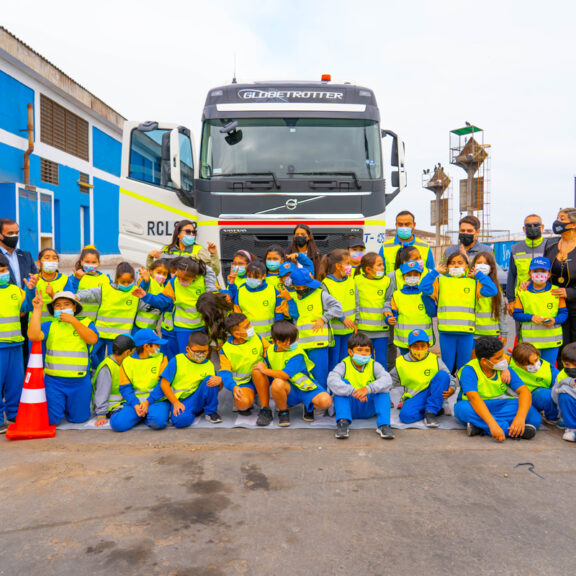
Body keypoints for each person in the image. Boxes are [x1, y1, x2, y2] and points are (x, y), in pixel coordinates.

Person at [28, 290, 98, 426]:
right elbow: (33, 336)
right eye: (58, 305)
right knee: (52, 420)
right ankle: (61, 406)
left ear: (74, 307)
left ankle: (68, 406)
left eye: (66, 304)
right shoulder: (50, 325)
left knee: (79, 419)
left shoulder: (86, 323)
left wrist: (74, 322)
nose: (62, 308)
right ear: (53, 309)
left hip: (80, 382)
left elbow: (92, 339)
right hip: (54, 382)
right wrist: (37, 310)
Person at [420, 251, 498, 373]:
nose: (456, 266)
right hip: (446, 332)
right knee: (447, 366)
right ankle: (447, 388)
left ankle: (463, 390)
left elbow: (492, 290)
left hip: (466, 333)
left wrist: (479, 276)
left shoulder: (473, 283)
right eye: (452, 263)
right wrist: (435, 272)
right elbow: (423, 287)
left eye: (460, 263)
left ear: (467, 266)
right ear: (447, 266)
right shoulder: (441, 282)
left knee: (464, 366)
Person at [454, 336, 542, 441]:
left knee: (535, 418)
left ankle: (480, 428)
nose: (503, 360)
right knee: (462, 409)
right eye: (498, 358)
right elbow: (474, 399)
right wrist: (492, 424)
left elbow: (524, 391)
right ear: (484, 361)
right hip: (477, 406)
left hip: (501, 405)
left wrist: (520, 418)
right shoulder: (469, 370)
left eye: (502, 355)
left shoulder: (504, 368)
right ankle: (507, 430)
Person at [254, 320, 332, 427]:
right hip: (287, 389)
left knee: (326, 401)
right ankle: (283, 411)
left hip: (304, 387)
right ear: (278, 343)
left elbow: (285, 375)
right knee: (276, 382)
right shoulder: (270, 351)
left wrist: (265, 370)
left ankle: (308, 404)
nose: (295, 343)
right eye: (290, 341)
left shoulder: (297, 353)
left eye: (295, 339)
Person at [134, 258, 216, 355]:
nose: (180, 281)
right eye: (178, 277)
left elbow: (215, 294)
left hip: (201, 328)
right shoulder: (173, 282)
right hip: (182, 329)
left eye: (185, 279)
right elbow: (162, 301)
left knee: (199, 355)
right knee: (185, 356)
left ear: (195, 277)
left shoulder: (203, 281)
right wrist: (146, 296)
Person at [328, 332, 394, 440]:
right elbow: (331, 380)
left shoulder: (374, 365)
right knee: (340, 387)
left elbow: (387, 380)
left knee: (383, 389)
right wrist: (353, 391)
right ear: (350, 352)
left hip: (368, 405)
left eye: (367, 351)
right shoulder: (343, 365)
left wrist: (368, 389)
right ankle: (343, 423)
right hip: (350, 405)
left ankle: (384, 425)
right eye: (359, 350)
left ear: (372, 352)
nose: (363, 354)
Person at [76, 262, 144, 366]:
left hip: (120, 337)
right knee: (89, 354)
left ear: (134, 280)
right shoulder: (106, 289)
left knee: (116, 363)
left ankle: (112, 379)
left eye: (129, 282)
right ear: (116, 279)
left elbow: (146, 304)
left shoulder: (136, 292)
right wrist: (77, 296)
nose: (126, 284)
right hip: (100, 333)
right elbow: (91, 293)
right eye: (123, 282)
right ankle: (98, 371)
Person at [150, 331, 223, 428]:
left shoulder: (209, 365)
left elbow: (215, 389)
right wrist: (175, 403)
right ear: (188, 349)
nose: (201, 354)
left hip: (197, 398)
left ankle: (210, 412)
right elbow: (164, 384)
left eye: (204, 351)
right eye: (198, 352)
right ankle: (190, 411)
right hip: (181, 400)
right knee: (181, 421)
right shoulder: (177, 360)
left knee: (212, 379)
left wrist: (220, 381)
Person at [285, 268, 343, 389]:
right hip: (300, 345)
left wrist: (324, 318)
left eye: (304, 286)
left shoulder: (321, 294)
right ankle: (311, 403)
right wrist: (289, 301)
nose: (301, 290)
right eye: (298, 287)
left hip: (318, 344)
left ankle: (323, 403)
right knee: (303, 378)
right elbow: (295, 315)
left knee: (320, 377)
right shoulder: (293, 296)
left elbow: (338, 307)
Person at [390, 330, 456, 427]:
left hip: (434, 392)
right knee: (405, 416)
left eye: (423, 346)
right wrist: (376, 390)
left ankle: (431, 412)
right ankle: (433, 409)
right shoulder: (401, 362)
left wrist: (453, 388)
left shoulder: (435, 359)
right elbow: (389, 380)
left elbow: (448, 377)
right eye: (415, 346)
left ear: (428, 346)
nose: (419, 349)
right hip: (415, 396)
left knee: (442, 375)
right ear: (409, 347)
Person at [109, 329, 171, 432]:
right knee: (117, 424)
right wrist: (136, 405)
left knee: (158, 422)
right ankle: (143, 414)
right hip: (135, 402)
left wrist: (147, 403)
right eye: (157, 345)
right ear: (146, 346)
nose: (159, 347)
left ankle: (143, 415)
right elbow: (125, 388)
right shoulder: (127, 362)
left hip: (156, 400)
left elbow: (162, 385)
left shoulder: (162, 359)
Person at [219, 313, 273, 426]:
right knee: (242, 404)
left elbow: (271, 354)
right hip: (243, 383)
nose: (250, 328)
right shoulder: (226, 350)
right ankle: (253, 397)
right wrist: (233, 386)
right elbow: (225, 372)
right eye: (246, 327)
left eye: (249, 324)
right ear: (236, 334)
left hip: (262, 377)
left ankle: (265, 409)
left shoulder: (258, 338)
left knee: (257, 369)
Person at [513, 256, 567, 367]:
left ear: (549, 274)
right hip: (530, 343)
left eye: (543, 271)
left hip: (552, 342)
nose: (539, 274)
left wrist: (555, 320)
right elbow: (516, 314)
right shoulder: (522, 292)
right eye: (535, 271)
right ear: (529, 274)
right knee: (532, 369)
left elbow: (564, 313)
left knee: (549, 369)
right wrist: (531, 317)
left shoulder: (556, 291)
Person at [0, 254, 32, 433]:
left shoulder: (14, 290)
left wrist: (29, 292)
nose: (2, 273)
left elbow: (24, 311)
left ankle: (14, 414)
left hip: (16, 344)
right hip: (0, 347)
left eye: (4, 270)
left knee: (15, 382)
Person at [0, 218, 38, 359]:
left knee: (23, 355)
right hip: (5, 318)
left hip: (25, 313)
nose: (14, 236)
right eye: (10, 233)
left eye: (16, 232)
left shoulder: (25, 255)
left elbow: (33, 277)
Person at [387, 261, 435, 356]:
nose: (412, 277)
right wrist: (388, 318)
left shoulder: (425, 294)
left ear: (420, 276)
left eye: (415, 274)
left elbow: (432, 312)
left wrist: (427, 297)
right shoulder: (397, 295)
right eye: (409, 274)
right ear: (403, 277)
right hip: (404, 340)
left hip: (423, 340)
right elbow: (393, 313)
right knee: (406, 363)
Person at [545, 208, 576, 355]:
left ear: (573, 224)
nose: (557, 222)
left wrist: (569, 292)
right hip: (555, 305)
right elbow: (542, 270)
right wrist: (529, 282)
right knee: (558, 345)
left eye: (562, 219)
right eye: (557, 218)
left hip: (574, 304)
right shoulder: (551, 246)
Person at [320, 249, 357, 370]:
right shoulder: (326, 284)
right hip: (334, 332)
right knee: (334, 363)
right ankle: (331, 387)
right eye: (347, 263)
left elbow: (356, 303)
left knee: (346, 361)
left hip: (349, 330)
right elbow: (326, 307)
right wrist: (342, 318)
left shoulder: (351, 280)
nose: (350, 267)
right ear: (338, 266)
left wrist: (356, 322)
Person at [506, 214, 547, 317]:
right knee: (522, 332)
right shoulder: (515, 249)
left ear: (542, 227)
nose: (532, 228)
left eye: (536, 225)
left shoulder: (549, 246)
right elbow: (511, 276)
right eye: (529, 226)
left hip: (544, 297)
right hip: (521, 299)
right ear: (524, 229)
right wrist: (511, 300)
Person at [354, 252, 390, 367]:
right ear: (368, 269)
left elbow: (389, 300)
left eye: (382, 264)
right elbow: (355, 304)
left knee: (381, 360)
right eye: (379, 265)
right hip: (363, 330)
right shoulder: (357, 281)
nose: (383, 267)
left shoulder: (387, 281)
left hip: (382, 330)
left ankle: (382, 384)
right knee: (365, 360)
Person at [148, 219, 220, 276]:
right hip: (170, 290)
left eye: (193, 232)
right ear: (178, 234)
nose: (191, 234)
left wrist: (213, 255)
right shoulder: (166, 249)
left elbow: (214, 273)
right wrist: (150, 258)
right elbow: (154, 273)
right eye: (188, 231)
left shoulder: (199, 250)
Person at [92, 334, 136, 427]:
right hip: (112, 408)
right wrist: (101, 415)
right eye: (132, 352)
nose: (133, 355)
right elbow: (101, 393)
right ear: (127, 352)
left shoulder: (123, 363)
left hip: (122, 404)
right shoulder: (107, 368)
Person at [510, 342, 560, 423]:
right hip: (517, 400)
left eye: (536, 360)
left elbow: (562, 383)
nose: (535, 365)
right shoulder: (509, 365)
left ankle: (553, 418)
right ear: (518, 365)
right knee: (535, 420)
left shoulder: (549, 369)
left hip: (537, 396)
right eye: (529, 364)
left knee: (548, 395)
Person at [233, 261, 285, 339]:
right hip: (249, 338)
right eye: (249, 276)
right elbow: (237, 316)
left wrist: (277, 334)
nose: (252, 279)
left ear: (264, 276)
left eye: (256, 277)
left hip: (269, 338)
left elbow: (279, 314)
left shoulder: (273, 291)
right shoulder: (240, 292)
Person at [379, 211, 434, 275]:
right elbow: (380, 274)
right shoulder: (385, 247)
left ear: (414, 225)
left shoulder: (425, 247)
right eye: (400, 224)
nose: (404, 227)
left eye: (407, 224)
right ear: (396, 225)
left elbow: (431, 273)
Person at [472, 252, 508, 345]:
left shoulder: (495, 288)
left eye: (486, 264)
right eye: (479, 263)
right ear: (473, 265)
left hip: (491, 335)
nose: (482, 266)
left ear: (491, 268)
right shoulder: (470, 285)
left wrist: (504, 333)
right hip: (471, 334)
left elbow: (501, 311)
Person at [70, 246, 111, 321]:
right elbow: (70, 295)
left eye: (94, 262)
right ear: (81, 262)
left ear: (99, 263)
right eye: (87, 262)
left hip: (97, 320)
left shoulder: (105, 278)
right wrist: (76, 279)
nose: (90, 264)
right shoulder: (74, 277)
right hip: (78, 319)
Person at [32, 248, 73, 322]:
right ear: (39, 262)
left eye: (54, 258)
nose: (51, 260)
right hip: (37, 324)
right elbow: (26, 305)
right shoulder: (33, 279)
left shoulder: (65, 279)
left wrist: (53, 295)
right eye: (47, 258)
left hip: (58, 324)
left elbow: (70, 303)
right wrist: (30, 288)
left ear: (58, 262)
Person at [133, 259, 170, 333]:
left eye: (164, 274)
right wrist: (146, 280)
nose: (161, 276)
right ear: (151, 271)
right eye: (158, 272)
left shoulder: (164, 287)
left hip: (152, 326)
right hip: (138, 326)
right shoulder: (149, 281)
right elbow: (142, 288)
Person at [551, 343, 576, 442]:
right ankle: (571, 428)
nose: (571, 368)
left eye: (575, 364)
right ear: (562, 362)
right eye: (567, 364)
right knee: (564, 396)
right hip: (571, 407)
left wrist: (567, 389)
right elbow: (554, 396)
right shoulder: (562, 375)